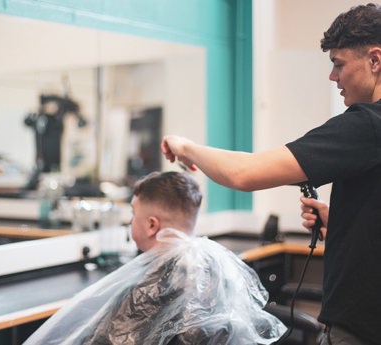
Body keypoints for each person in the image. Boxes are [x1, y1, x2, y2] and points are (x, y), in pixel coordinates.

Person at [161, 4, 381, 345]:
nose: (332, 77)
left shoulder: (367, 125)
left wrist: (186, 147)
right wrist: (338, 222)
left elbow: (244, 174)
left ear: (375, 60)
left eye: (339, 64)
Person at [23, 171, 286, 345]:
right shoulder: (216, 267)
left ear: (151, 225)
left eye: (132, 214)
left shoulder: (146, 290)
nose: (129, 221)